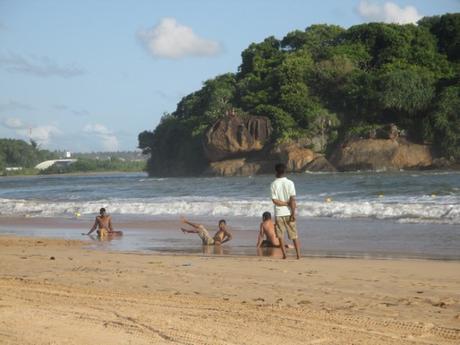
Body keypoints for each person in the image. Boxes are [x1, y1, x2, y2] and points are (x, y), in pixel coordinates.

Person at [271, 163, 301, 259]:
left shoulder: (273, 184)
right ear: (285, 172)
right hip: (289, 212)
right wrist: (293, 213)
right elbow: (292, 200)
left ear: (276, 172)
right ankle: (298, 255)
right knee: (294, 235)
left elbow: (275, 201)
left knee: (280, 235)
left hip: (279, 213)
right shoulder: (290, 183)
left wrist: (284, 204)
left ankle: (284, 255)